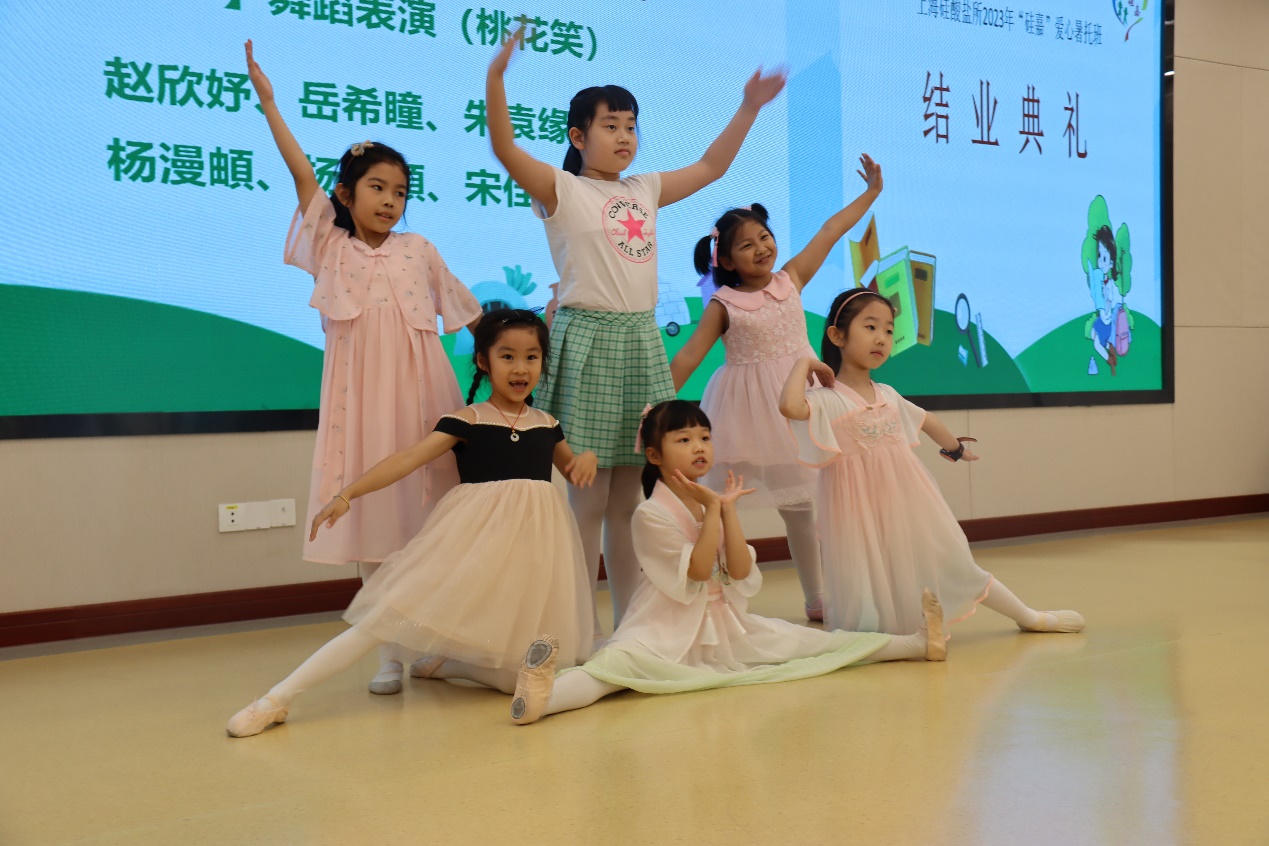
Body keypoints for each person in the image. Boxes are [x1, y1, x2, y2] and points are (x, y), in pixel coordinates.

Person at [485, 30, 787, 625]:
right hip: (588, 340)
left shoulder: (643, 188)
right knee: (587, 498)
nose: (625, 136)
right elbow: (504, 146)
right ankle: (575, 627)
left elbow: (711, 166)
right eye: (611, 125)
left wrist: (749, 106)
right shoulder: (561, 188)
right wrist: (496, 78)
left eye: (631, 126)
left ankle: (628, 627)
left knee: (628, 500)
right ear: (578, 136)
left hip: (641, 340)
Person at [226, 311, 597, 737]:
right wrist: (348, 494)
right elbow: (406, 459)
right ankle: (276, 699)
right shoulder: (469, 420)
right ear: (483, 361)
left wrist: (586, 460)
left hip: (530, 551)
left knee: (515, 675)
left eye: (531, 357)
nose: (521, 368)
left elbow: (572, 470)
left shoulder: (548, 425)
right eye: (507, 356)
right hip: (470, 545)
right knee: (382, 620)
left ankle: (444, 665)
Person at [245, 41, 482, 694]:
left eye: (400, 192)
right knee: (373, 519)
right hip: (360, 405)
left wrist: (524, 348)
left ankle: (433, 643)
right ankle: (388, 656)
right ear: (346, 194)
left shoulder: (419, 248)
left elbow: (471, 318)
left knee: (431, 518)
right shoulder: (330, 243)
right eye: (377, 187)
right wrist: (270, 103)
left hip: (424, 398)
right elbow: (300, 174)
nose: (390, 200)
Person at [505, 400, 946, 726]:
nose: (699, 447)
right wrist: (716, 510)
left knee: (814, 644)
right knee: (615, 669)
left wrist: (726, 511)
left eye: (704, 437)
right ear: (654, 455)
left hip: (727, 626)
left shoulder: (712, 500)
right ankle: (543, 697)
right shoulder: (650, 514)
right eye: (683, 440)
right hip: (663, 627)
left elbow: (737, 572)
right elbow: (698, 572)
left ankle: (917, 644)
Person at [779, 289, 1086, 636]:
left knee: (952, 562)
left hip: (908, 504)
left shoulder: (887, 394)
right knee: (868, 575)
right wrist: (803, 364)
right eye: (870, 327)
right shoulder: (826, 399)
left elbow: (927, 420)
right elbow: (789, 406)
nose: (882, 338)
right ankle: (889, 635)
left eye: (889, 330)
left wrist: (955, 448)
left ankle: (1027, 616)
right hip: (856, 514)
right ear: (837, 336)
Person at [670, 156, 883, 620]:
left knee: (801, 510)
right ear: (727, 260)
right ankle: (713, 598)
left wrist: (870, 194)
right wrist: (657, 402)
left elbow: (829, 231)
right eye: (746, 246)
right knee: (720, 507)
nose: (761, 248)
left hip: (798, 408)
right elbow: (688, 357)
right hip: (742, 415)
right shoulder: (724, 303)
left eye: (764, 237)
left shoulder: (792, 278)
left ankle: (816, 598)